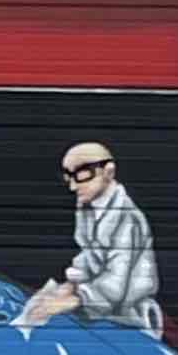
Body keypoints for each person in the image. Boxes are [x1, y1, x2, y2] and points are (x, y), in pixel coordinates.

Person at [17, 135, 160, 337]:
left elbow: (116, 285)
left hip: (129, 322)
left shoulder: (127, 218)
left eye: (83, 174)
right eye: (68, 176)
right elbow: (90, 257)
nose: (73, 186)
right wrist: (68, 287)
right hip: (103, 315)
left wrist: (73, 299)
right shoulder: (89, 209)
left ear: (108, 172)